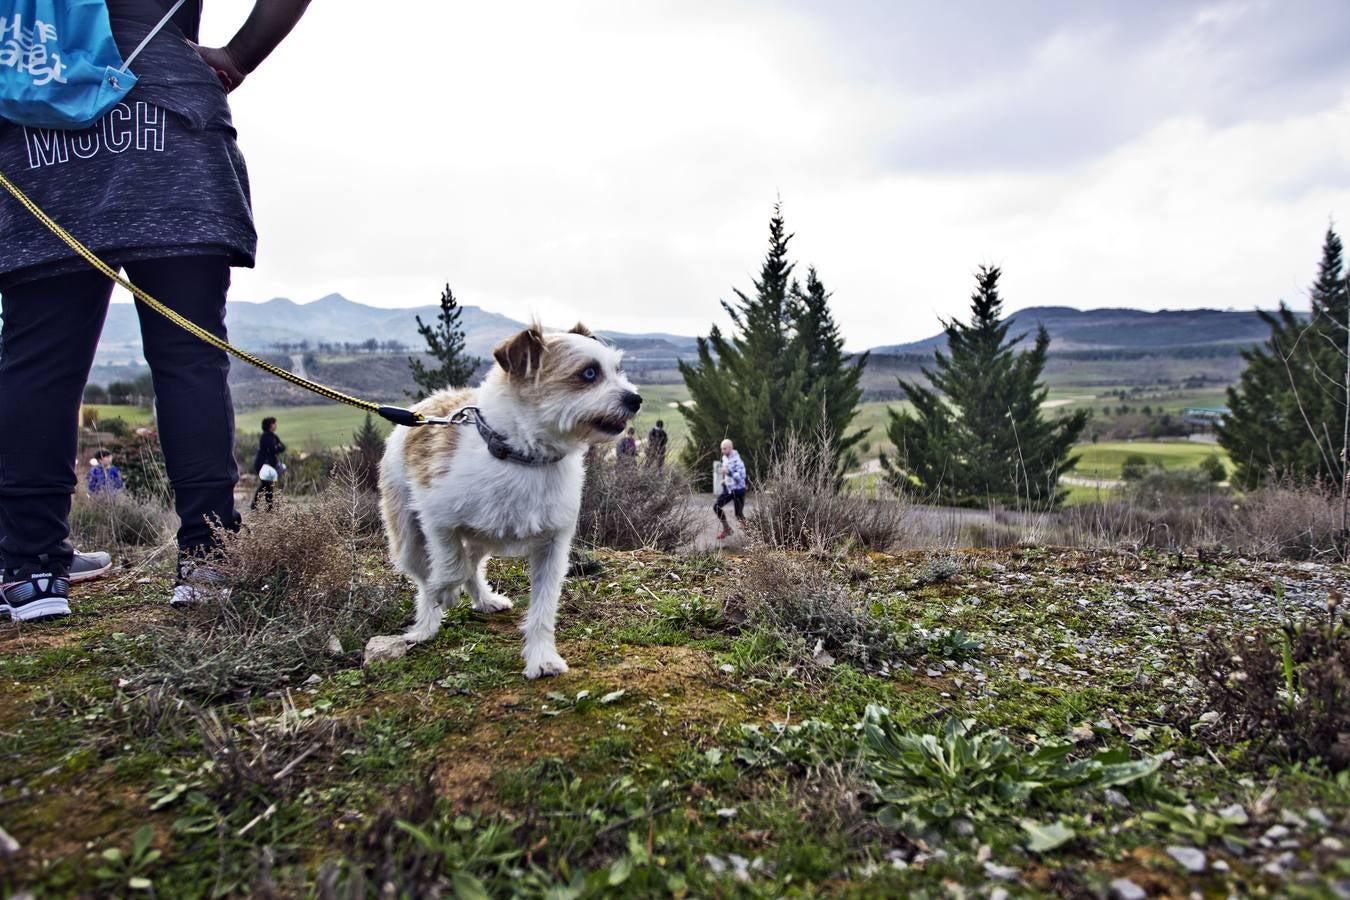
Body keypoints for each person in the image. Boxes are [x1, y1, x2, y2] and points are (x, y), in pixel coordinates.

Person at [0, 0, 313, 619]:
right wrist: (238, 56)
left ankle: (32, 568)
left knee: (38, 363)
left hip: (36, 121)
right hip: (168, 111)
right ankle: (208, 559)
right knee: (190, 359)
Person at [713, 439, 747, 540]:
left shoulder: (737, 460)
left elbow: (742, 476)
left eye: (724, 448)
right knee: (716, 507)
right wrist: (725, 480)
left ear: (730, 448)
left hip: (739, 491)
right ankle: (727, 529)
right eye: (721, 449)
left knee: (739, 515)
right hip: (728, 489)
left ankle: (753, 535)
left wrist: (729, 473)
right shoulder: (724, 457)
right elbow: (728, 476)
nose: (722, 451)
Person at [250, 416, 285, 512]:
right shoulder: (266, 436)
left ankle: (258, 505)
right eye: (274, 423)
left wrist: (276, 447)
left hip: (268, 465)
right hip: (262, 465)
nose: (276, 425)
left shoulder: (273, 436)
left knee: (265, 485)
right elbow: (274, 449)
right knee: (267, 485)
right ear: (270, 425)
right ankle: (267, 507)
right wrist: (276, 447)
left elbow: (282, 447)